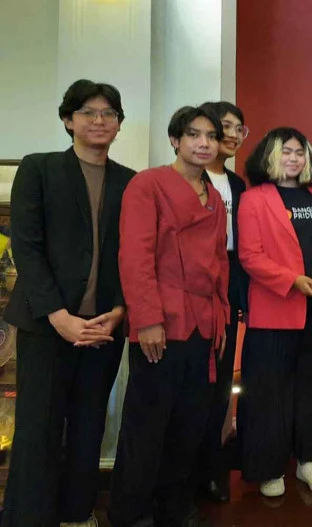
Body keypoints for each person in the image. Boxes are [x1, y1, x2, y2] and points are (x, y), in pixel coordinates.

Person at [1, 79, 134, 527]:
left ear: (118, 125)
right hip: (46, 326)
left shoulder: (130, 181)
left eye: (108, 114)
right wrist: (59, 317)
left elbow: (133, 254)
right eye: (88, 112)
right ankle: (28, 517)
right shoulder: (39, 169)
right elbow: (27, 247)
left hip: (104, 326)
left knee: (89, 426)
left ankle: (77, 514)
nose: (99, 121)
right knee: (38, 429)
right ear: (67, 120)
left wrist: (118, 310)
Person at [110, 105, 229, 527]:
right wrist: (147, 319)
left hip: (204, 323)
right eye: (193, 134)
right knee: (148, 422)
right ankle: (130, 511)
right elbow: (135, 255)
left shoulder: (215, 197)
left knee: (190, 421)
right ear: (175, 140)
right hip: (161, 321)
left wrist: (222, 318)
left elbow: (220, 263)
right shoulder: (149, 185)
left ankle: (173, 505)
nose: (203, 143)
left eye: (211, 136)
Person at [237, 127, 312, 497]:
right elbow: (250, 256)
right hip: (274, 309)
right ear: (269, 156)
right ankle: (269, 467)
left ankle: (309, 461)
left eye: (300, 151)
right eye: (286, 152)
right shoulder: (253, 200)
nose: (294, 158)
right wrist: (291, 280)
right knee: (270, 391)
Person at [194, 101, 249, 503]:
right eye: (223, 128)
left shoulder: (240, 185)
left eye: (237, 129)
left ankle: (212, 470)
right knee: (190, 383)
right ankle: (182, 471)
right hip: (192, 285)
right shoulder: (186, 180)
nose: (231, 135)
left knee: (220, 382)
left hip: (229, 284)